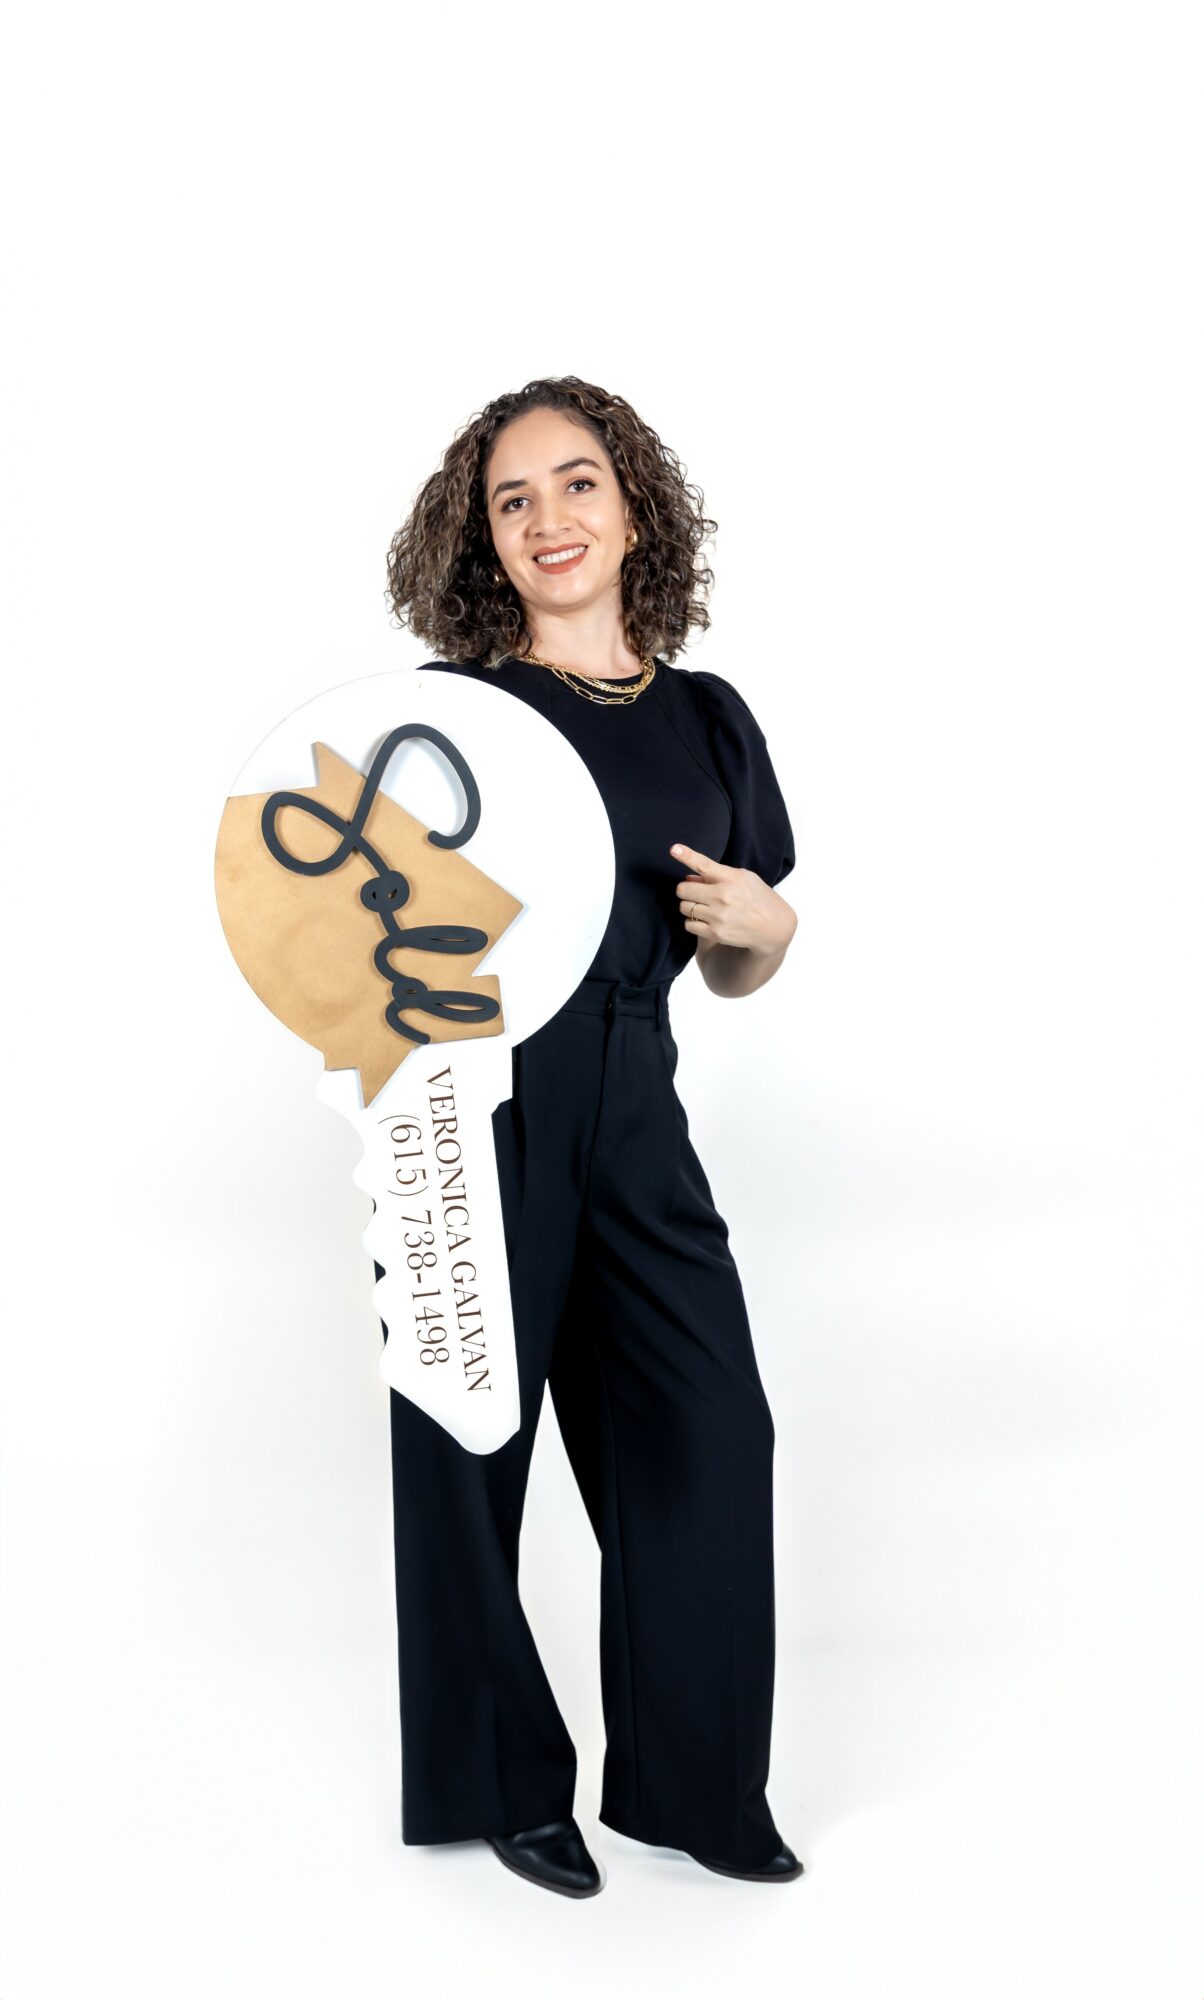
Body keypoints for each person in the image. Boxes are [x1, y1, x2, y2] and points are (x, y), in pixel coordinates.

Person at [378, 375, 803, 1895]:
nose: (548, 519)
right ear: (483, 538)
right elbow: (353, 921)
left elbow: (728, 953)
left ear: (633, 511)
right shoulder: (453, 714)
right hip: (472, 1082)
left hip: (634, 1080)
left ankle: (694, 1787)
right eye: (513, 499)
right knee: (467, 1442)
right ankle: (501, 1778)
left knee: (710, 1430)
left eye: (577, 484)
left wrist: (769, 933)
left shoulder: (708, 718)